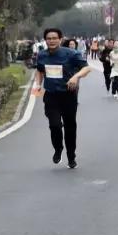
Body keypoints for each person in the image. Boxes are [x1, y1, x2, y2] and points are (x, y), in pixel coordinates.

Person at [32, 27, 91, 169]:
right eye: (49, 38)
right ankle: (58, 148)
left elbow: (87, 68)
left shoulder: (71, 54)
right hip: (51, 96)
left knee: (70, 127)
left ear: (60, 39)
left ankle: (71, 156)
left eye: (54, 38)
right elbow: (39, 71)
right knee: (54, 125)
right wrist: (37, 85)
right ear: (45, 40)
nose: (51, 41)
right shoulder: (42, 55)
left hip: (68, 96)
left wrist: (75, 77)